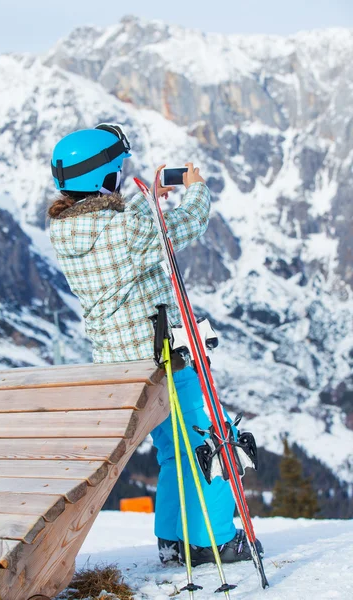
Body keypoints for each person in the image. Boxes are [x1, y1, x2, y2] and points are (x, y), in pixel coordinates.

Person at [48, 123, 262, 566]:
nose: (123, 174)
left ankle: (173, 539)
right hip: (161, 359)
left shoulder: (66, 232)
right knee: (210, 444)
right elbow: (187, 224)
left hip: (116, 366)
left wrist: (152, 203)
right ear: (105, 178)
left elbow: (130, 241)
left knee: (172, 451)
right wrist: (196, 185)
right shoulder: (129, 228)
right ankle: (218, 540)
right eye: (119, 169)